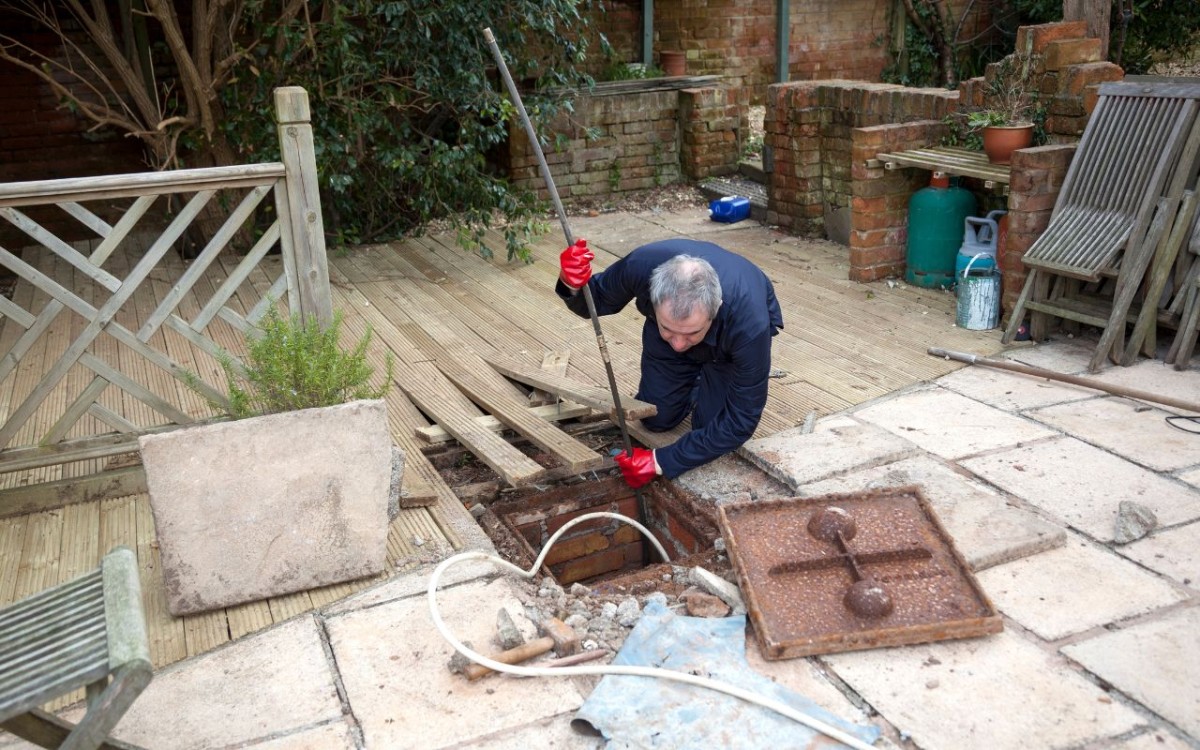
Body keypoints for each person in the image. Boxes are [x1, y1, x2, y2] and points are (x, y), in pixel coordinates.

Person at [556, 237, 783, 488]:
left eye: (692, 333)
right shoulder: (642, 266)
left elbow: (740, 421)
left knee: (709, 428)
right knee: (655, 418)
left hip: (726, 347)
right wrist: (571, 282)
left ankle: (707, 373)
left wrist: (660, 460)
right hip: (664, 338)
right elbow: (595, 301)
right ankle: (693, 373)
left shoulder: (750, 325)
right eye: (669, 329)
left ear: (716, 308)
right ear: (653, 296)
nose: (678, 345)